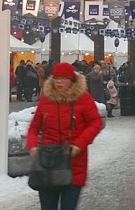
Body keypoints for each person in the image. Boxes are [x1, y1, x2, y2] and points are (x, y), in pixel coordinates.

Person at [26, 63, 103, 210]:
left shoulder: (83, 98)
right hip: (48, 163)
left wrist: (80, 143)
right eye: (56, 78)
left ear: (72, 80)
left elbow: (95, 122)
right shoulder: (46, 98)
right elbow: (34, 127)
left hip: (73, 163)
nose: (59, 82)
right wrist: (32, 145)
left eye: (63, 79)